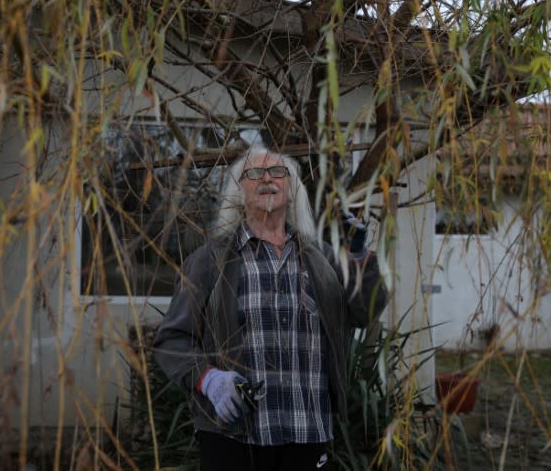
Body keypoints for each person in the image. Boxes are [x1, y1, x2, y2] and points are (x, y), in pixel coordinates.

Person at [153, 144, 387, 470]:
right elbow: (172, 340)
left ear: (291, 190)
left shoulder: (324, 259)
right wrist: (208, 379)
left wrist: (359, 258)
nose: (267, 179)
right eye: (254, 173)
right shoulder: (209, 262)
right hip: (234, 435)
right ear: (239, 192)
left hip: (306, 431)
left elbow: (365, 311)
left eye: (278, 172)